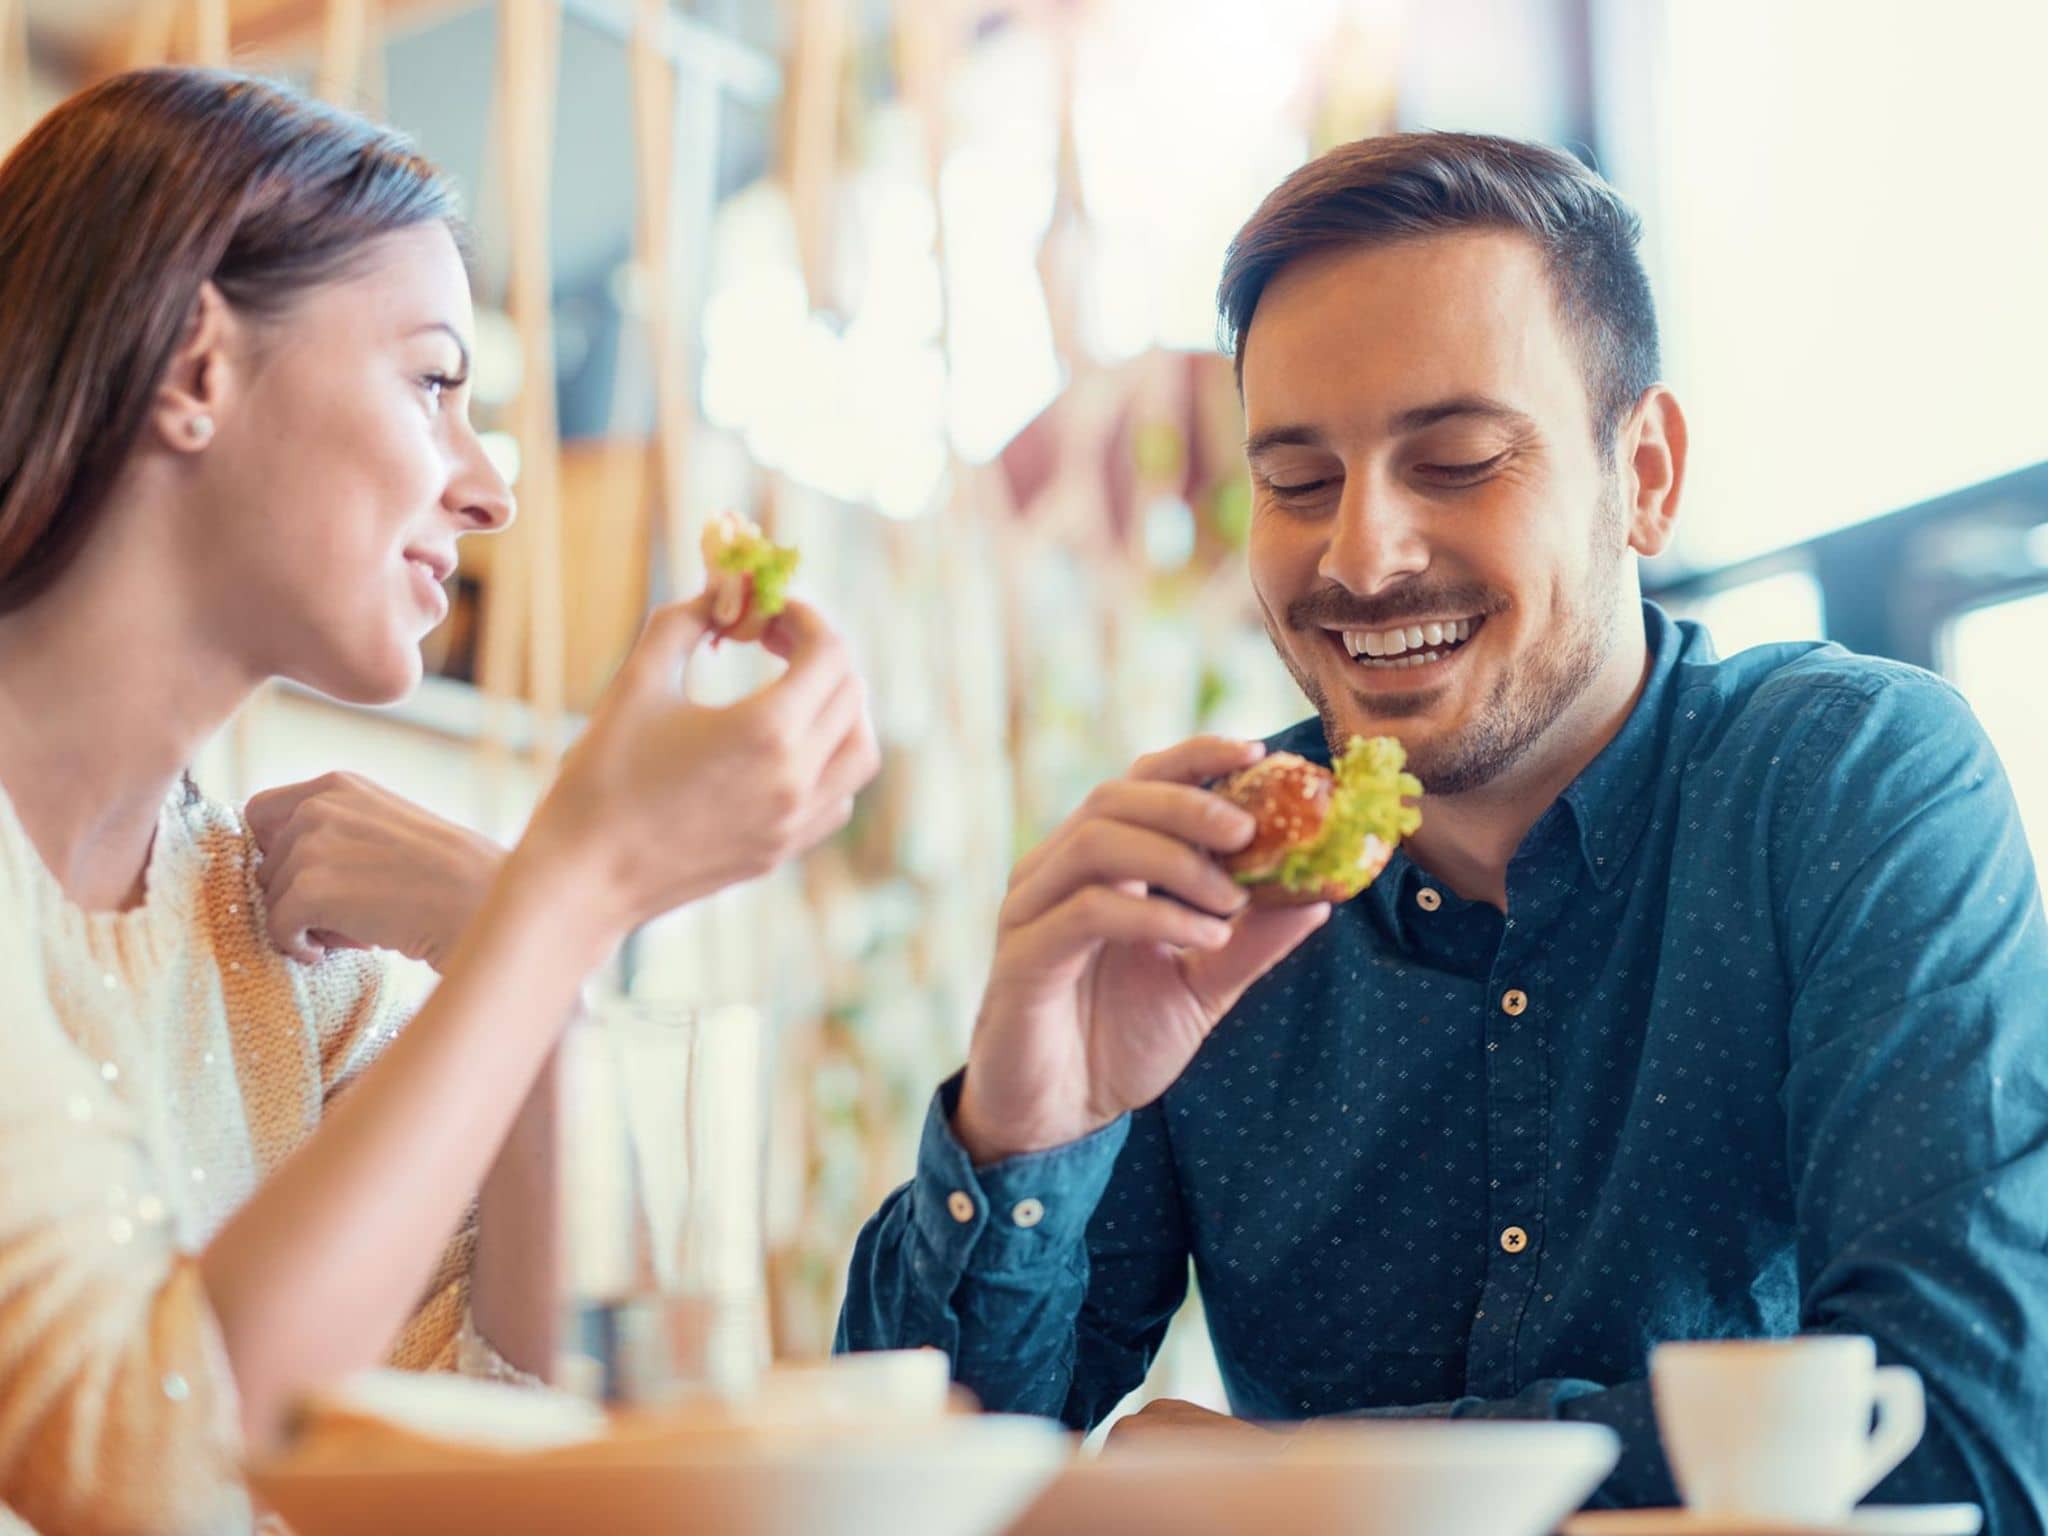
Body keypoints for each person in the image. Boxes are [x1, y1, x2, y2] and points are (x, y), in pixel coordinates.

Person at [838, 131, 2048, 1524]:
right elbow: (901, 1489)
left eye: (1459, 458)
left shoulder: (1847, 784)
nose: (1360, 555)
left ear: (1645, 473)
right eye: (1298, 483)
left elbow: (1966, 1446)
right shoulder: (1201, 885)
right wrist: (1023, 1127)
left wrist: (1306, 1487)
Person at [0, 68, 877, 1534]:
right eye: (432, 382)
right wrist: (569, 891)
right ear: (197, 371)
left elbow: (491, 1463)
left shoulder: (261, 937)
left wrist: (535, 981)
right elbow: (139, 1461)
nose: (492, 490)